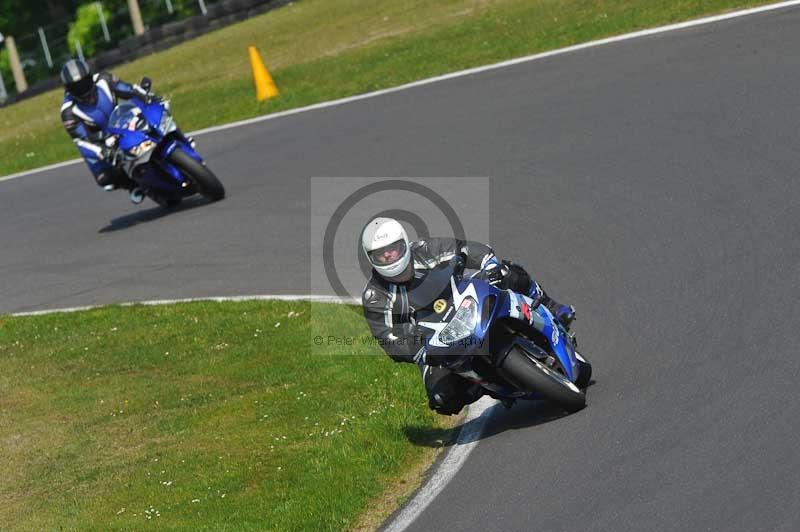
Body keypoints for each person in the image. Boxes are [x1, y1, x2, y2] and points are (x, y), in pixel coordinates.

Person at [361, 217, 576, 415]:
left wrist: (490, 266)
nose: (389, 256)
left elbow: (469, 250)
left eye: (393, 249)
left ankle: (551, 306)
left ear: (403, 244)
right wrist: (418, 349)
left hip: (467, 303)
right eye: (381, 253)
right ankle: (483, 386)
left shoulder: (426, 250)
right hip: (434, 342)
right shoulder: (375, 297)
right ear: (372, 259)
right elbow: (387, 338)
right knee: (442, 399)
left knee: (508, 272)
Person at [59, 58, 156, 204]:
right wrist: (103, 151)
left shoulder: (104, 79)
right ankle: (133, 186)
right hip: (101, 141)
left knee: (155, 118)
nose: (83, 90)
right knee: (103, 178)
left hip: (123, 121)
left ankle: (179, 140)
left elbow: (129, 89)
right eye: (76, 88)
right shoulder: (68, 112)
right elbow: (82, 141)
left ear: (90, 77)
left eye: (84, 84)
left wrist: (146, 96)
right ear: (68, 90)